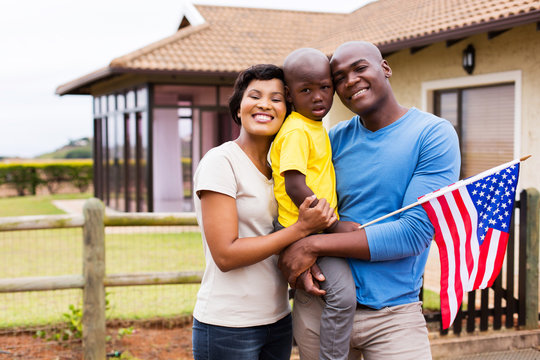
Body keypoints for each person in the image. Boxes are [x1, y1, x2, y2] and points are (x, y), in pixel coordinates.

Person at [278, 41, 461, 360]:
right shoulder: (332, 140)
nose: (350, 81)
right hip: (321, 308)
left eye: (360, 68)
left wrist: (312, 246)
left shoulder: (432, 135)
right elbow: (289, 197)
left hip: (393, 318)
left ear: (385, 68)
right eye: (339, 77)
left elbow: (413, 234)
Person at [191, 64, 337, 360]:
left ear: (288, 109)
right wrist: (301, 228)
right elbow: (225, 255)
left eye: (276, 98)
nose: (264, 104)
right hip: (228, 325)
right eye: (254, 96)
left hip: (278, 319)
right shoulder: (221, 161)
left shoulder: (283, 170)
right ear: (239, 107)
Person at [269, 48, 357, 360]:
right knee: (344, 297)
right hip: (304, 228)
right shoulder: (295, 131)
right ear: (290, 95)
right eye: (306, 90)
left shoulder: (313, 127)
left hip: (312, 227)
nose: (318, 97)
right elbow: (295, 185)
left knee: (330, 291)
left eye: (324, 87)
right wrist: (333, 226)